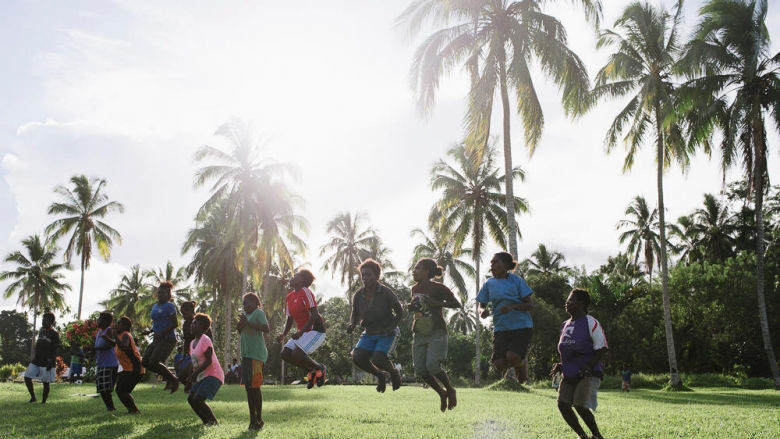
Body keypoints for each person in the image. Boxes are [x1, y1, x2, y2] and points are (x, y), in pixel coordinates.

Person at [550, 289, 608, 439]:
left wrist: (588, 365)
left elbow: (602, 347)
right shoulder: (565, 324)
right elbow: (567, 349)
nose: (567, 302)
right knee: (562, 404)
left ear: (581, 303)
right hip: (569, 372)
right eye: (567, 300)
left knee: (580, 405)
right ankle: (582, 436)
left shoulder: (591, 322)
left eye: (571, 300)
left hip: (588, 372)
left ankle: (597, 435)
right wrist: (561, 364)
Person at [409, 258, 461, 412]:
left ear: (426, 271)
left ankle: (450, 389)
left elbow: (456, 304)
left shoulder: (439, 288)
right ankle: (441, 393)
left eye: (417, 268)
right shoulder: (413, 289)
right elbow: (418, 307)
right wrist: (412, 307)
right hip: (419, 331)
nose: (414, 271)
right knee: (420, 370)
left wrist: (437, 303)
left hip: (437, 330)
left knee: (432, 365)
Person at [346, 259, 404, 393]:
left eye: (369, 275)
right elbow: (354, 313)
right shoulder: (358, 295)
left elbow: (400, 311)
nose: (365, 278)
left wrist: (392, 325)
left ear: (377, 276)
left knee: (379, 358)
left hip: (387, 332)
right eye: (363, 275)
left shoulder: (386, 292)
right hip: (369, 333)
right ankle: (380, 375)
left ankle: (394, 372)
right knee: (357, 357)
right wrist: (352, 324)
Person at [477, 252, 534, 383]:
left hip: (521, 326)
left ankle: (522, 374)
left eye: (495, 262)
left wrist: (512, 307)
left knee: (512, 356)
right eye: (491, 263)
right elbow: (480, 306)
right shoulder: (488, 284)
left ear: (506, 265)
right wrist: (482, 311)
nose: (492, 265)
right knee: (498, 363)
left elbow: (529, 304)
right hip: (501, 327)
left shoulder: (516, 280)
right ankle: (521, 363)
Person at [276, 269, 327, 388]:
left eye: (295, 276)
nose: (292, 277)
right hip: (303, 332)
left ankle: (320, 368)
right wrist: (284, 334)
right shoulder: (289, 297)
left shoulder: (306, 292)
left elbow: (314, 314)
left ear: (302, 280)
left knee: (297, 354)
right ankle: (312, 371)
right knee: (285, 354)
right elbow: (290, 319)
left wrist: (301, 332)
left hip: (316, 331)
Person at [237, 292, 270, 430]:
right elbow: (241, 331)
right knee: (249, 388)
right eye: (243, 304)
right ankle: (253, 419)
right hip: (246, 355)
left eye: (247, 303)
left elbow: (266, 328)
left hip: (256, 355)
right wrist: (241, 323)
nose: (244, 306)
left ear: (255, 303)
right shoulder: (247, 316)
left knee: (255, 388)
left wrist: (247, 322)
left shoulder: (258, 313)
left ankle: (258, 419)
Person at [141, 282, 179, 393]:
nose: (160, 295)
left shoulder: (170, 306)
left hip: (168, 339)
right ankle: (169, 378)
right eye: (159, 293)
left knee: (154, 361)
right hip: (157, 339)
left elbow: (174, 324)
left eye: (163, 293)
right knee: (145, 361)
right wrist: (149, 331)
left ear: (168, 295)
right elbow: (158, 323)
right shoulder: (155, 306)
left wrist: (161, 333)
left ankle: (173, 379)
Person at [187, 313, 224, 426]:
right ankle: (206, 422)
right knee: (191, 399)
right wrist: (191, 376)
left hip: (214, 375)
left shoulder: (205, 340)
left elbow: (209, 361)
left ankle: (214, 423)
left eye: (195, 324)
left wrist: (194, 375)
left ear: (202, 326)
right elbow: (194, 362)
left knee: (198, 399)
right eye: (192, 323)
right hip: (202, 376)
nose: (192, 326)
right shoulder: (192, 343)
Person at [24, 312, 59, 403]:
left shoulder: (54, 334)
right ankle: (33, 397)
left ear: (51, 321)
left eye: (45, 320)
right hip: (37, 359)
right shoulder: (41, 331)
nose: (43, 321)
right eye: (42, 319)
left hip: (47, 360)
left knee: (45, 382)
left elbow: (55, 349)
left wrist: (51, 361)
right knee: (27, 377)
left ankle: (43, 402)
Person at [114, 316, 144, 414]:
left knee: (121, 390)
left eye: (119, 323)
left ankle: (134, 410)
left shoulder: (126, 335)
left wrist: (114, 336)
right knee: (121, 390)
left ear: (125, 326)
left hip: (135, 367)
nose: (116, 325)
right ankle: (132, 410)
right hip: (129, 368)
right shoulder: (121, 336)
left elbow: (124, 347)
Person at [93, 311, 118, 412]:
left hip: (109, 363)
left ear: (106, 321)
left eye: (100, 319)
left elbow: (111, 344)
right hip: (101, 363)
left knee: (106, 388)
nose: (98, 321)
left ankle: (111, 408)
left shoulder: (109, 331)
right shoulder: (99, 332)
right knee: (101, 387)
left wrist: (94, 349)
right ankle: (109, 407)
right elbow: (98, 346)